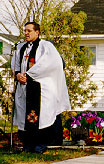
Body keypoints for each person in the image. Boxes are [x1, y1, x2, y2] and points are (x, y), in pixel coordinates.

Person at [11, 22, 71, 153]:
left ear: (37, 32)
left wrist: (29, 75)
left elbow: (49, 65)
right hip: (24, 88)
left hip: (40, 88)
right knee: (24, 117)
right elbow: (15, 64)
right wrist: (18, 75)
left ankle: (40, 145)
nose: (26, 33)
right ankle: (27, 145)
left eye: (29, 31)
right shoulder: (21, 47)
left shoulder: (46, 46)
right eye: (25, 30)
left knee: (41, 117)